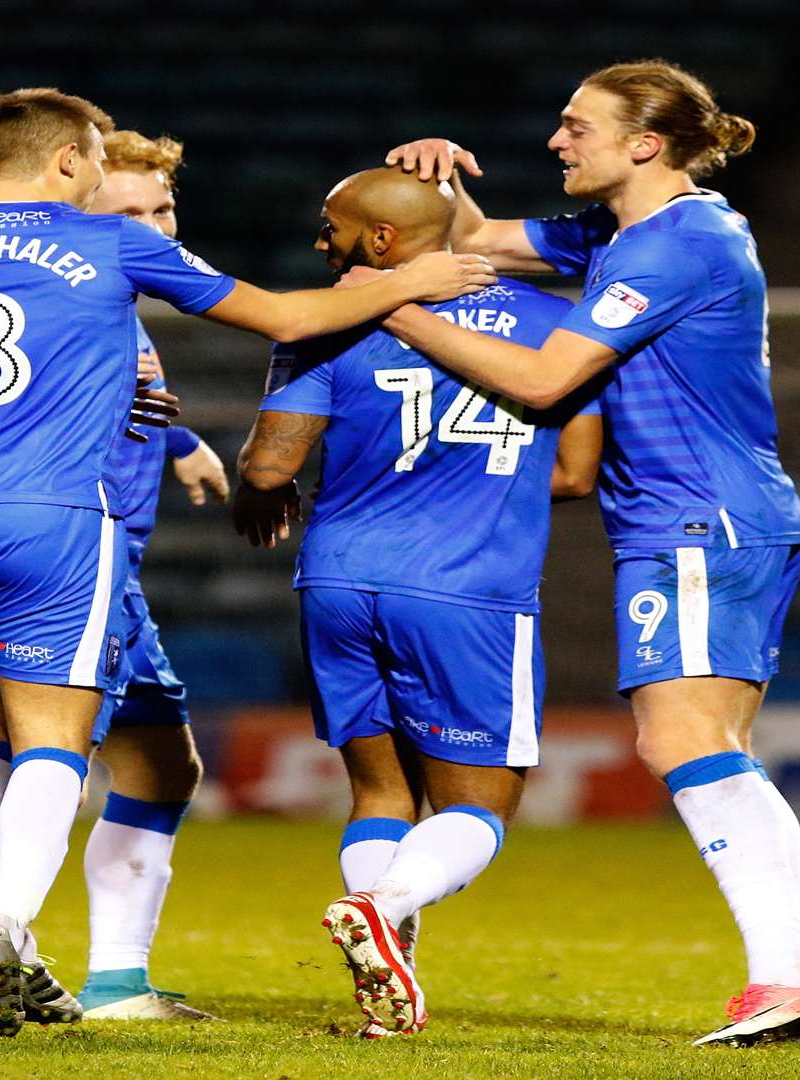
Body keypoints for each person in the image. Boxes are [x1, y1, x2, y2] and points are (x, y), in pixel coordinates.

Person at [0, 87, 496, 1038]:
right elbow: (286, 318)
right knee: (49, 739)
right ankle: (8, 930)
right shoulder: (107, 245)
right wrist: (414, 281)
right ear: (70, 161)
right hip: (47, 514)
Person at [378, 59, 800, 1047]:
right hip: (723, 516)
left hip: (696, 517)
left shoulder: (673, 249)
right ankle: (786, 981)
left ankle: (789, 979)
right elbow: (475, 239)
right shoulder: (629, 231)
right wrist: (441, 185)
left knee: (684, 744)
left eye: (575, 125)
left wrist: (397, 312)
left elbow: (547, 381)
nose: (557, 142)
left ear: (645, 143)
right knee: (709, 744)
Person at [233, 167, 603, 1036]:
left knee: (379, 794)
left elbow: (268, 469)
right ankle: (386, 906)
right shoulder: (559, 321)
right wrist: (474, 487)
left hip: (339, 579)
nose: (321, 243)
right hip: (468, 588)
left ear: (384, 242)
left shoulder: (330, 326)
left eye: (333, 229)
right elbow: (576, 472)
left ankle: (385, 975)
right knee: (480, 806)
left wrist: (274, 482)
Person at [78, 130, 227, 1021]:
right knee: (34, 774)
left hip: (116, 574)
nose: (152, 228)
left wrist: (183, 441)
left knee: (164, 766)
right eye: (127, 212)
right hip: (73, 568)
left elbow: (130, 399)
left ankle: (117, 982)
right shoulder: (74, 301)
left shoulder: (119, 305)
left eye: (162, 209)